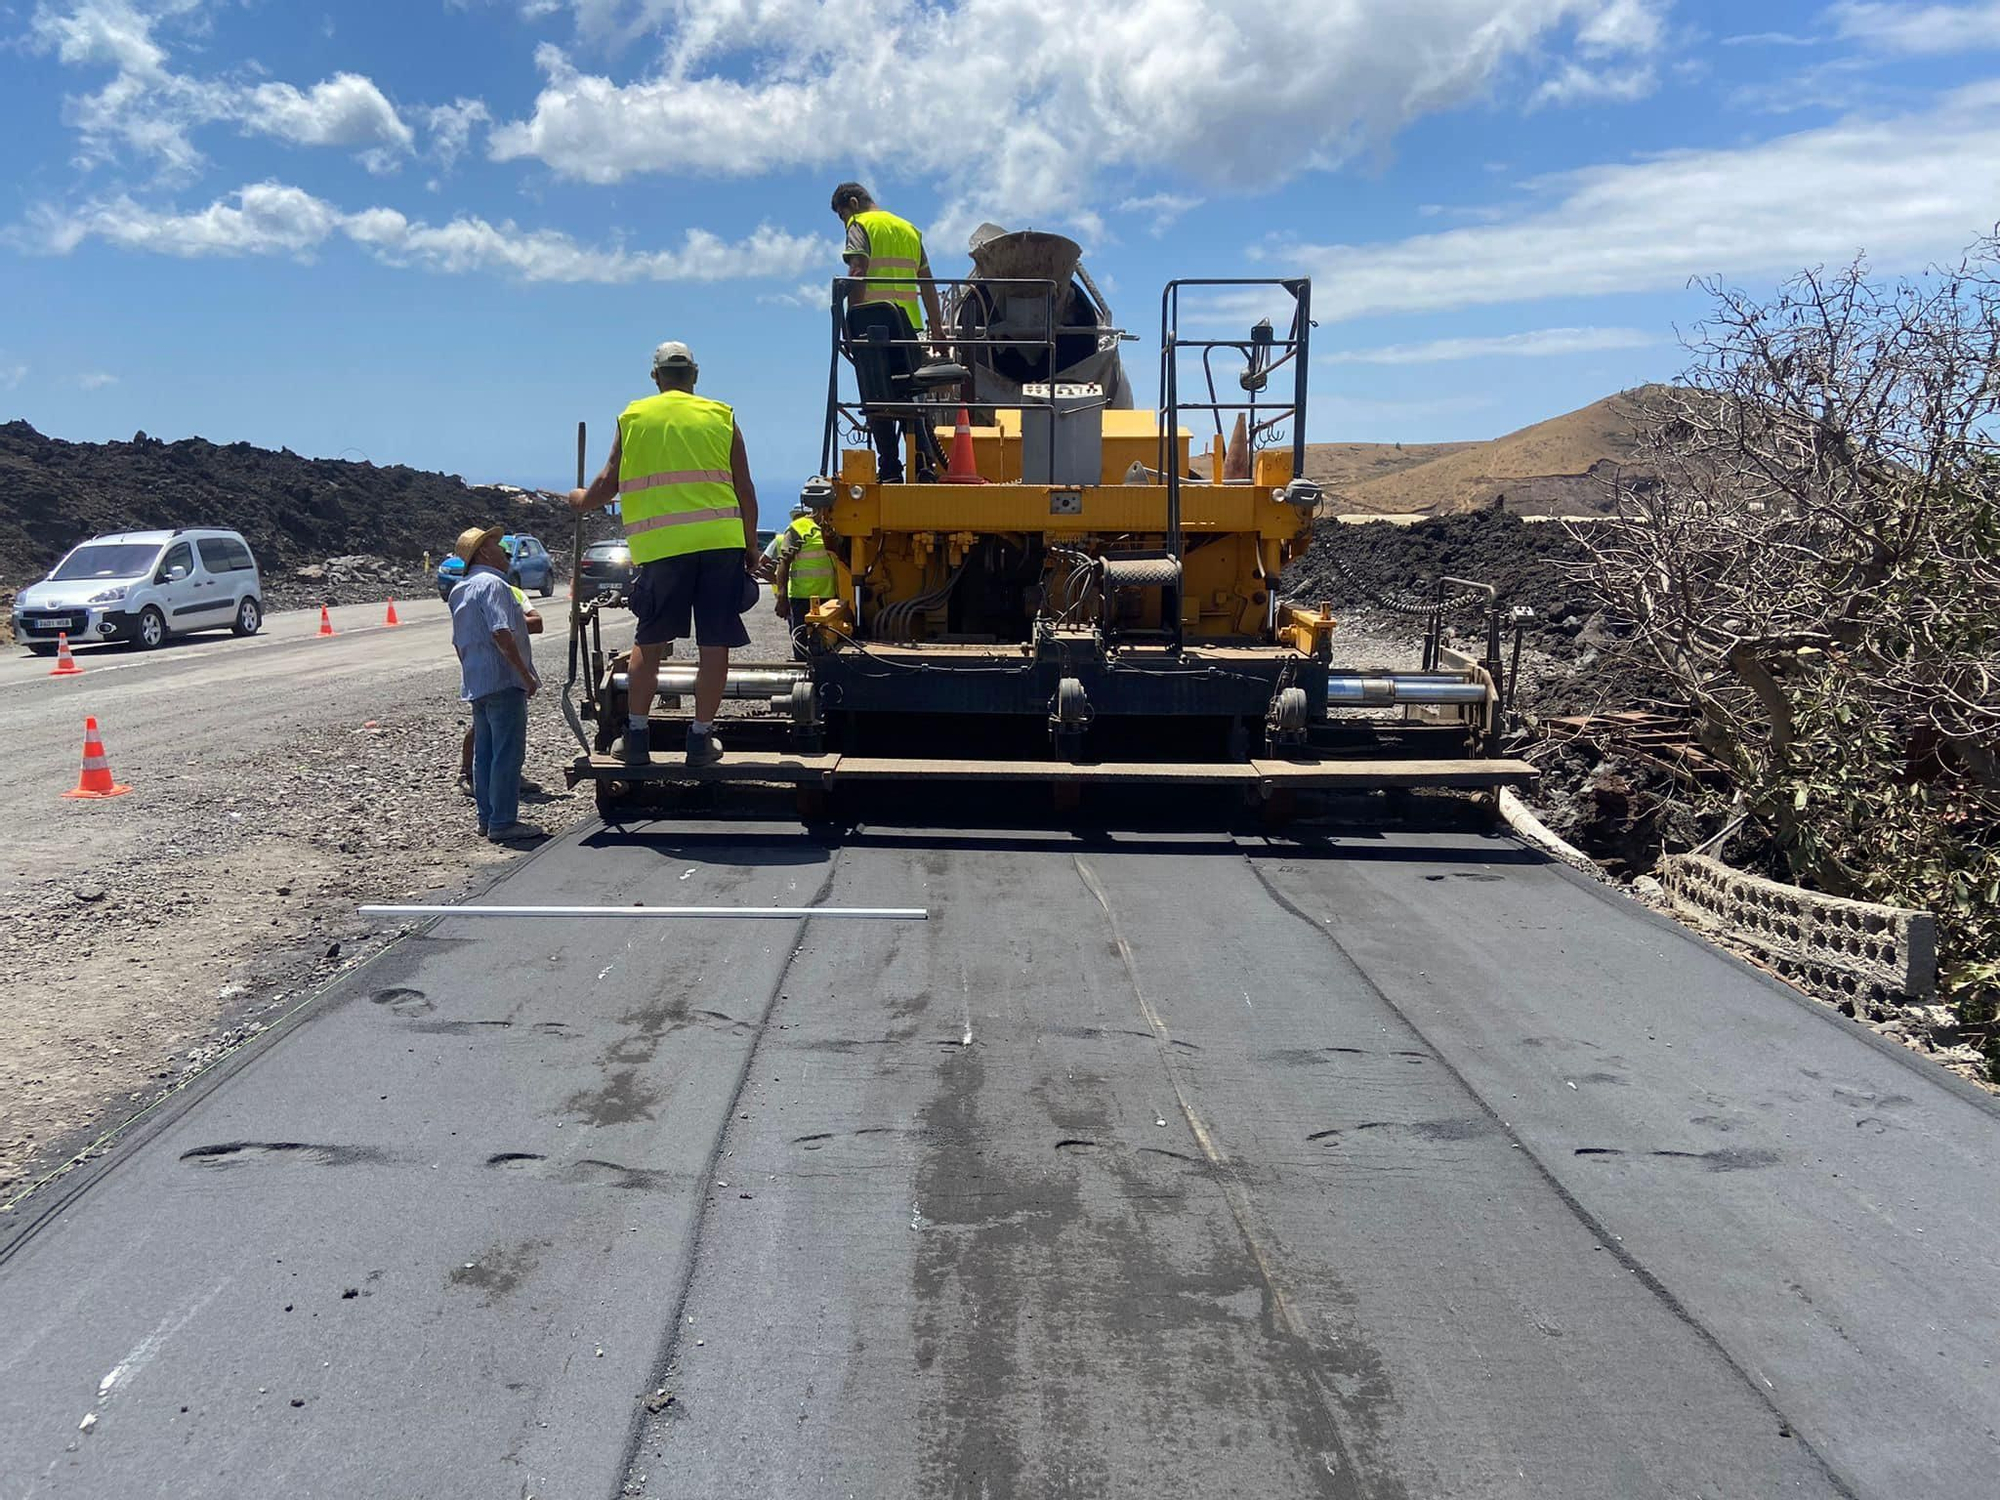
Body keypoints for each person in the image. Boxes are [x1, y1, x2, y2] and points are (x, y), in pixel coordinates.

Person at [569, 340, 760, 767]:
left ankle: (636, 737)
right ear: (694, 375)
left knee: (651, 640)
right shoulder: (721, 415)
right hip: (719, 545)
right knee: (715, 645)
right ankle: (700, 738)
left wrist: (580, 500)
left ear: (655, 377)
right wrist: (750, 546)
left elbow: (607, 482)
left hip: (662, 548)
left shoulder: (634, 416)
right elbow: (744, 488)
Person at [831, 181, 946, 483]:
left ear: (852, 203)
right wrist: (938, 330)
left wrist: (852, 319)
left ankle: (891, 469)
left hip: (874, 328)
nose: (844, 222)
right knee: (908, 395)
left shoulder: (860, 224)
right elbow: (927, 282)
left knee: (876, 397)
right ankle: (924, 465)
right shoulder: (908, 228)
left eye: (841, 215)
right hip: (908, 328)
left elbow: (858, 269)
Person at [449, 524, 543, 843]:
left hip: (478, 681)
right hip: (503, 679)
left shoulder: (460, 589)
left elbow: (457, 642)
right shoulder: (494, 585)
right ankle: (504, 822)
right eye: (499, 547)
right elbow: (502, 632)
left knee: (485, 753)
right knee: (507, 752)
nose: (505, 553)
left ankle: (487, 818)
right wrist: (524, 673)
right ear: (485, 551)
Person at [459, 585, 542, 795]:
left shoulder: (513, 592)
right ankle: (469, 775)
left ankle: (507, 779)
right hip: (491, 672)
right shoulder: (477, 590)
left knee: (507, 731)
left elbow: (537, 623)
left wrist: (507, 623)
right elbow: (496, 631)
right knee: (485, 727)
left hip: (509, 670)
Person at [770, 501, 833, 658]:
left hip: (831, 599)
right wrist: (781, 596)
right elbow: (784, 562)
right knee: (801, 648)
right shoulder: (798, 527)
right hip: (801, 598)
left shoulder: (835, 528)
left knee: (828, 646)